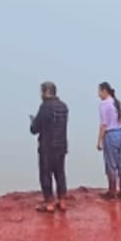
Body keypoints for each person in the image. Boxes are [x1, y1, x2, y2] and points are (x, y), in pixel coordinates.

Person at [29, 81, 70, 213]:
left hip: (47, 147)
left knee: (45, 174)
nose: (40, 94)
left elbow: (35, 129)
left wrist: (33, 121)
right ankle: (62, 201)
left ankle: (49, 203)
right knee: (60, 173)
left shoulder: (45, 107)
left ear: (46, 92)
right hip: (62, 145)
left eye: (41, 91)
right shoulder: (63, 107)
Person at [96, 82, 121, 200]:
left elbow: (104, 125)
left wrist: (99, 141)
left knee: (111, 164)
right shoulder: (117, 103)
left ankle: (112, 191)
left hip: (111, 134)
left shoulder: (104, 104)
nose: (98, 94)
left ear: (105, 91)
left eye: (99, 91)